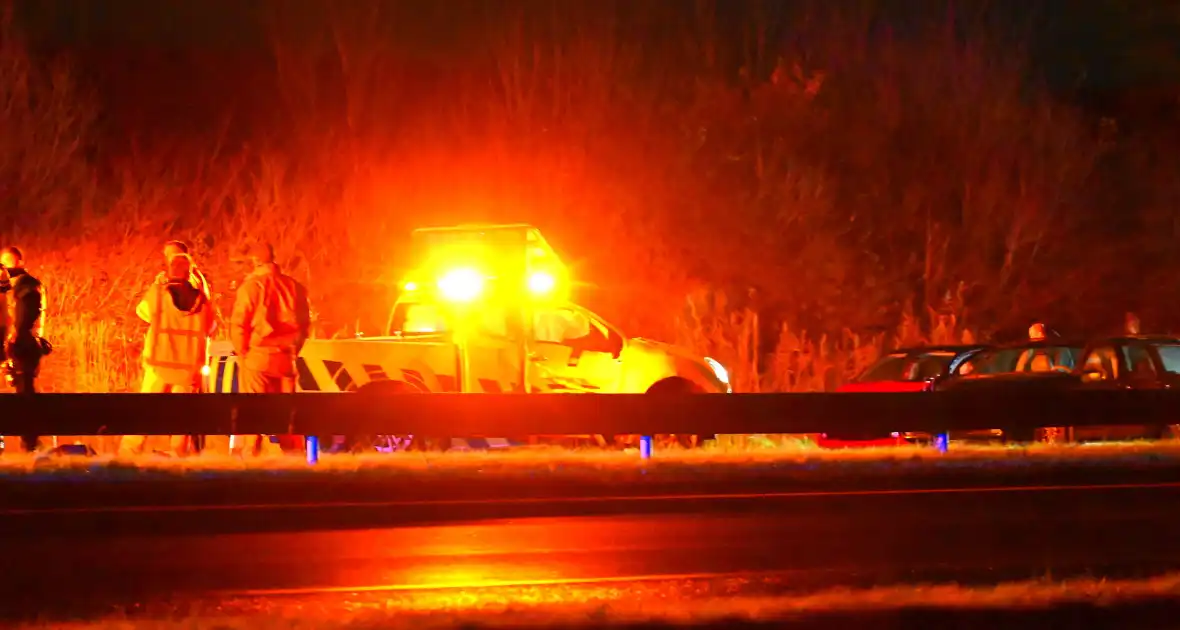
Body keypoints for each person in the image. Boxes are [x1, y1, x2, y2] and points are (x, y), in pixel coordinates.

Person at [120, 253, 215, 457]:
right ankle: (178, 456)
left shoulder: (159, 293)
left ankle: (129, 453)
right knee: (182, 417)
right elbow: (211, 326)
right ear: (189, 274)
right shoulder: (202, 301)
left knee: (145, 412)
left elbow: (143, 312)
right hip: (188, 369)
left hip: (159, 364)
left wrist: (158, 284)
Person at [229, 242, 310, 456]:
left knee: (254, 413)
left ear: (255, 262)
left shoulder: (251, 288)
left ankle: (250, 460)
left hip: (258, 358)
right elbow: (304, 325)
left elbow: (239, 324)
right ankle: (295, 463)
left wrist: (243, 353)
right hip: (286, 359)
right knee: (287, 416)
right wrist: (293, 349)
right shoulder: (294, 287)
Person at [0, 247, 48, 453]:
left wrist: (15, 340)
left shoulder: (27, 285)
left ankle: (29, 444)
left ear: (19, 263)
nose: (5, 268)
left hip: (23, 350)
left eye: (8, 263)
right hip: (13, 347)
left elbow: (24, 318)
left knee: (24, 394)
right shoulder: (11, 286)